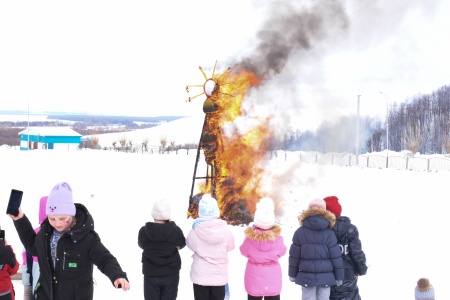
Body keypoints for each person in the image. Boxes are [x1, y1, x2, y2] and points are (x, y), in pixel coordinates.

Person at [9, 181, 130, 299]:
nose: (57, 223)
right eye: (52, 218)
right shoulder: (46, 232)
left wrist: (117, 275)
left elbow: (104, 258)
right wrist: (20, 220)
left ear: (71, 214)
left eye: (62, 218)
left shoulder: (86, 237)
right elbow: (33, 247)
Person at [288, 198, 344, 300]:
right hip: (326, 277)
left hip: (306, 276)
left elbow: (294, 257)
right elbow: (336, 257)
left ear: (308, 210)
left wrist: (292, 274)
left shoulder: (300, 232)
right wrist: (339, 276)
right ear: (324, 212)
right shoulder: (329, 233)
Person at [186, 194, 235, 300]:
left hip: (200, 277)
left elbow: (189, 244)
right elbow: (231, 246)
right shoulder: (226, 231)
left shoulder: (194, 232)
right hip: (219, 276)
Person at [138, 198, 186, 300]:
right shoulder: (175, 230)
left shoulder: (143, 231)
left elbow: (141, 245)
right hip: (171, 273)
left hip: (150, 273)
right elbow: (182, 244)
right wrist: (172, 224)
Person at [240, 197, 287, 300]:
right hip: (272, 279)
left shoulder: (250, 238)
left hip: (254, 278)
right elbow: (283, 251)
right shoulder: (278, 239)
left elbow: (243, 250)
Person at [323, 196, 367, 300]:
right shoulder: (350, 229)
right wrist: (362, 269)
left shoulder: (321, 231)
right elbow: (357, 253)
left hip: (327, 275)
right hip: (348, 276)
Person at [21, 196, 47, 300]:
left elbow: (26, 263)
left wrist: (27, 290)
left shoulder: (33, 234)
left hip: (38, 291)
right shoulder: (67, 235)